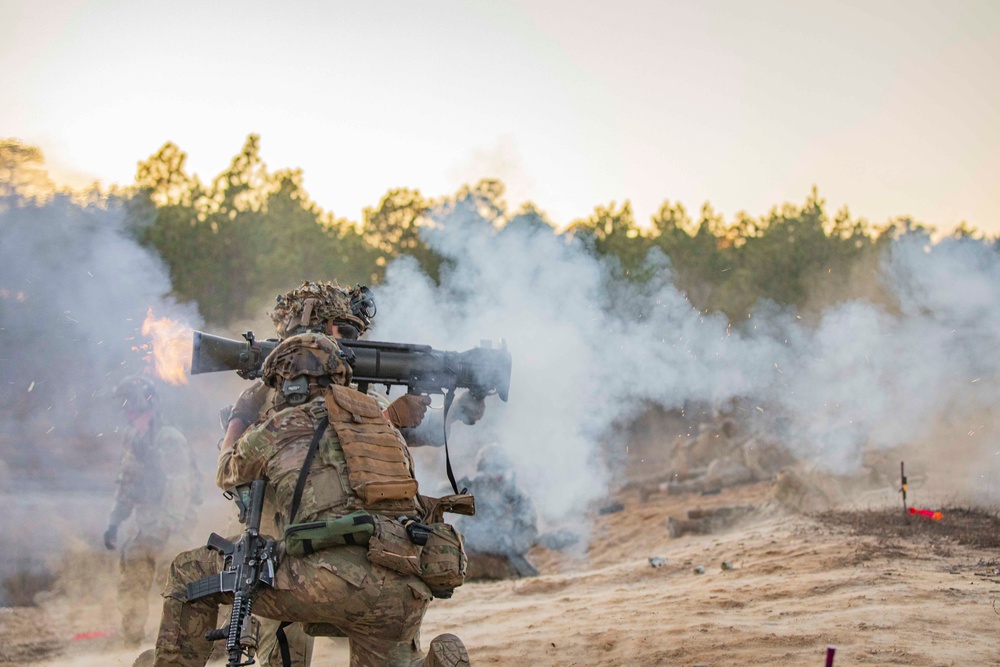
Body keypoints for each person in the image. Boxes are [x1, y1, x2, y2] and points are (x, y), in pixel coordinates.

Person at [148, 333, 471, 667]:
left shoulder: (280, 425)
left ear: (289, 384)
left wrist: (239, 417)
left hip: (328, 575)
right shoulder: (382, 428)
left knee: (188, 571)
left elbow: (227, 471)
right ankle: (432, 663)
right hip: (402, 582)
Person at [217, 280, 484, 667]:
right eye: (343, 330)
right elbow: (311, 442)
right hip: (296, 538)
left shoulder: (352, 392)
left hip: (360, 540)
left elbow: (386, 447)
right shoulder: (276, 392)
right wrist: (390, 417)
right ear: (312, 328)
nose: (349, 340)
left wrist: (453, 415)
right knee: (286, 647)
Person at [103, 375, 201, 648]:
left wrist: (166, 529)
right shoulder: (135, 438)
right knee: (133, 569)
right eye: (127, 411)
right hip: (148, 523)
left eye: (133, 410)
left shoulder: (169, 438)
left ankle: (185, 644)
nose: (129, 415)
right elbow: (127, 484)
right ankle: (132, 640)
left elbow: (180, 487)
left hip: (176, 524)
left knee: (175, 580)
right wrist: (114, 521)